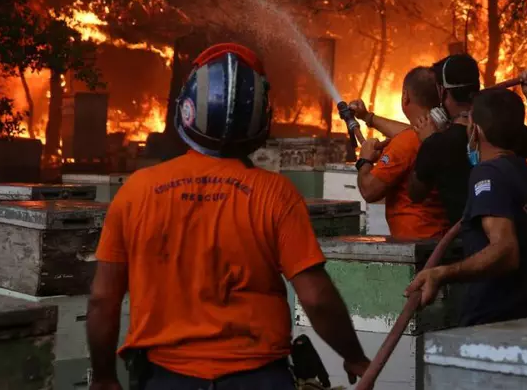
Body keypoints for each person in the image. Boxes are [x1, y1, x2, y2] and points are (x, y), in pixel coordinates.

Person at [86, 43, 369, 390]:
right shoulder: (274, 194)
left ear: (186, 110)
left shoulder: (137, 191)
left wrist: (103, 377)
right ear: (261, 119)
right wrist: (353, 355)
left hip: (165, 378)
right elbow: (316, 299)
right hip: (260, 377)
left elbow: (102, 299)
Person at [406, 88, 527, 326]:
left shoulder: (488, 173)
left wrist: (441, 273)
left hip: (494, 326)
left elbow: (506, 252)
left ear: (475, 131)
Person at [410, 54, 527, 224]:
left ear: (441, 90)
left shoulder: (436, 144)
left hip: (470, 244)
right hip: (521, 238)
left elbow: (415, 194)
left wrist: (427, 143)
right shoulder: (502, 125)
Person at [350, 67, 450, 239]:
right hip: (442, 239)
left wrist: (364, 161)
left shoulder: (405, 143)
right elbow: (408, 132)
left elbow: (369, 191)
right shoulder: (445, 131)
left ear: (405, 96)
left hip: (415, 244)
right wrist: (368, 117)